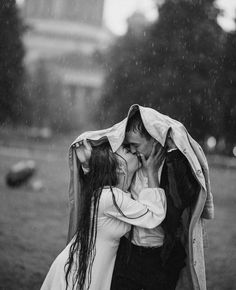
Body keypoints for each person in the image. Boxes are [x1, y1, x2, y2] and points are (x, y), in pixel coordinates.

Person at [67, 104, 214, 290]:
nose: (131, 150)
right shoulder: (128, 165)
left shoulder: (174, 166)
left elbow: (182, 200)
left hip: (162, 260)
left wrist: (156, 170)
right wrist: (88, 163)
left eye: (135, 145)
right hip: (128, 256)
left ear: (154, 139)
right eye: (128, 146)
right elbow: (102, 178)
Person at [41, 141, 166, 290]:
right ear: (120, 166)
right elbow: (153, 214)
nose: (135, 152)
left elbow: (91, 169)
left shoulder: (111, 193)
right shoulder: (110, 197)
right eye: (128, 151)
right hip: (80, 270)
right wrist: (151, 172)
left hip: (94, 268)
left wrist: (89, 159)